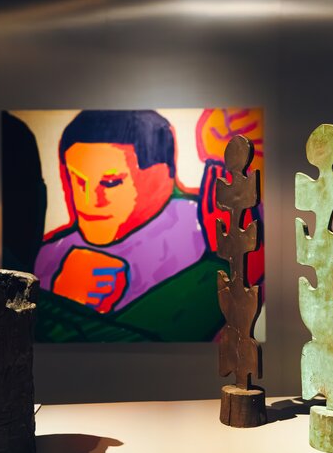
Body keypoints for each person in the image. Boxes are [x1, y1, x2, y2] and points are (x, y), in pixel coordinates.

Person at [33, 110, 222, 341]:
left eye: (111, 182)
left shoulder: (207, 238)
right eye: (79, 181)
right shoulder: (50, 256)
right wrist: (61, 297)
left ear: (163, 173)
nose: (91, 201)